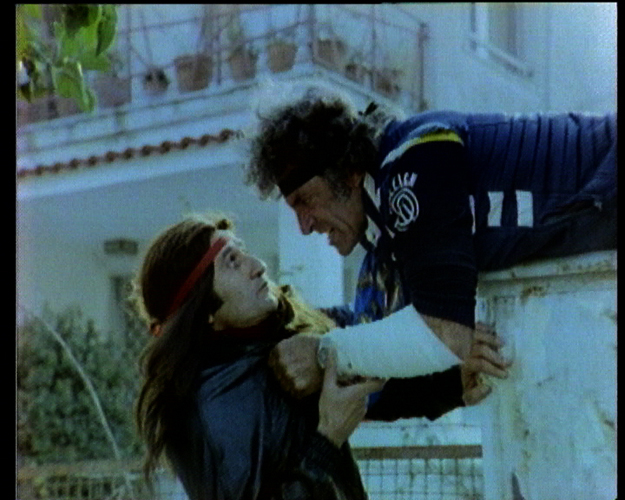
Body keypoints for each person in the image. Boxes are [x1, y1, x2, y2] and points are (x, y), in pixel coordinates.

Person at [245, 84, 614, 398]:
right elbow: (382, 326)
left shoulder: (412, 162)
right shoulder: (386, 211)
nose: (304, 226)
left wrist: (324, 354)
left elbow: (444, 336)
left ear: (348, 173)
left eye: (304, 201)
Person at [134, 215, 384, 500]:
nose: (258, 266)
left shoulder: (270, 347)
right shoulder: (210, 405)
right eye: (232, 261)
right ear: (203, 307)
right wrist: (328, 438)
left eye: (244, 252)